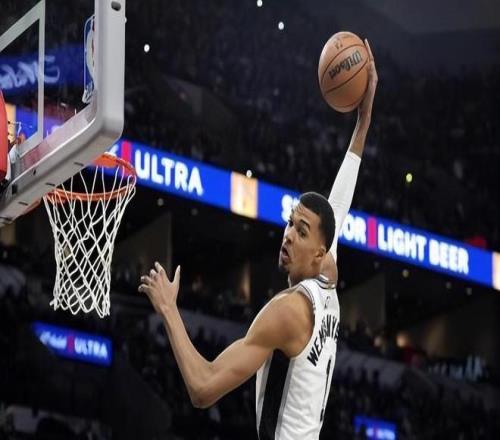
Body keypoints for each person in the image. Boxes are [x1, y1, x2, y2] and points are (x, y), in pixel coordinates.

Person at [139, 39, 378, 440]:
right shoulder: (328, 278)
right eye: (290, 224)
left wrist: (168, 309)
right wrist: (363, 122)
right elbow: (339, 203)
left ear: (318, 252)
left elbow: (203, 388)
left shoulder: (287, 311)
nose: (289, 235)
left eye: (301, 231)